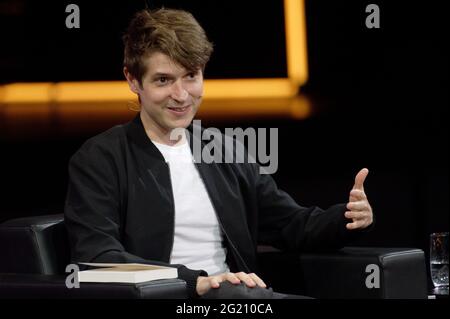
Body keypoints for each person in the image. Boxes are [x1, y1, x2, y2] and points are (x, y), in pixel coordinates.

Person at [64, 8, 373, 299]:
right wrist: (193, 282)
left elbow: (290, 224)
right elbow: (98, 257)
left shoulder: (223, 151)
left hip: (237, 296)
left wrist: (346, 218)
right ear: (133, 80)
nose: (181, 95)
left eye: (190, 76)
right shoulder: (101, 159)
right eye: (163, 80)